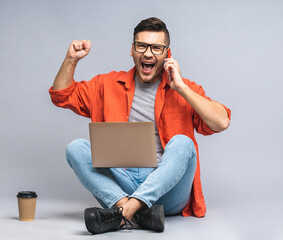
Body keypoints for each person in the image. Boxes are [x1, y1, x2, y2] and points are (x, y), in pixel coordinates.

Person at [49, 17, 231, 234]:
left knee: (184, 143)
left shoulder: (184, 89)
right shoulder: (107, 84)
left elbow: (221, 121)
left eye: (156, 48)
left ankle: (123, 213)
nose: (148, 53)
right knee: (75, 148)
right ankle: (138, 212)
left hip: (166, 190)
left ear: (167, 54)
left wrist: (180, 87)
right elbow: (62, 96)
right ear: (132, 50)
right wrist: (71, 59)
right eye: (141, 46)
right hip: (120, 184)